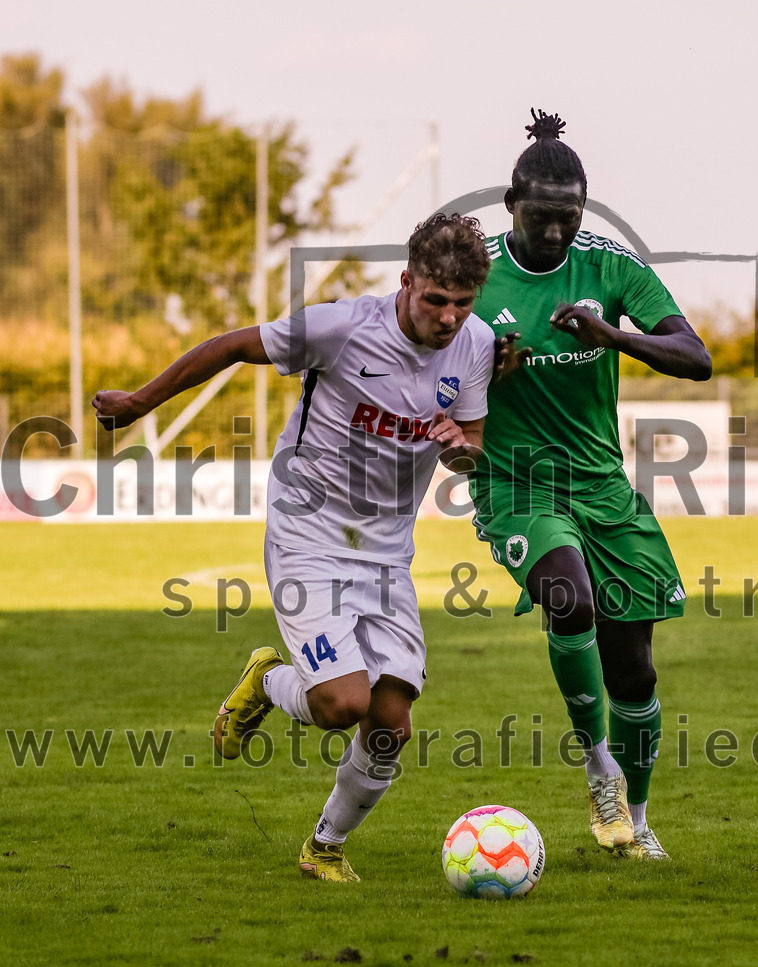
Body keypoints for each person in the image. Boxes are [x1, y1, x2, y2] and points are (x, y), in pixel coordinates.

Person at [92, 213, 494, 882]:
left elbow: (472, 444)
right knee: (343, 704)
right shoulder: (341, 328)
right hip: (307, 530)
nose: (449, 317)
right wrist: (141, 401)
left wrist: (462, 451)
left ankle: (324, 846)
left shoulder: (475, 344)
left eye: (462, 303)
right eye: (436, 300)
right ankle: (268, 680)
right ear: (406, 281)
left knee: (391, 719)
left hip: (388, 551)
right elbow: (230, 346)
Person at [470, 110, 712, 861]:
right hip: (517, 484)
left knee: (634, 669)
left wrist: (615, 337)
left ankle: (634, 822)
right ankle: (596, 763)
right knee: (568, 595)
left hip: (604, 488)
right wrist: (481, 373)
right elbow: (415, 353)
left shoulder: (610, 266)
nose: (555, 233)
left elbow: (694, 356)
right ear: (511, 202)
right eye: (542, 218)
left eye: (568, 218)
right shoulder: (471, 268)